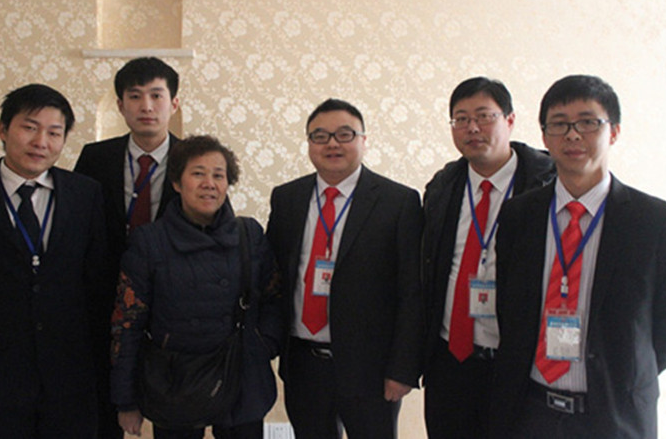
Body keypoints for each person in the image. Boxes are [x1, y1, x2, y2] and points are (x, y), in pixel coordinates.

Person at [491, 75, 666, 438]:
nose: (573, 135)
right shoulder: (519, 215)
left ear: (613, 132)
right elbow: (508, 306)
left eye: (587, 122)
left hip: (613, 417)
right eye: (559, 124)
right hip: (529, 412)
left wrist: (626, 376)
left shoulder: (655, 222)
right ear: (544, 137)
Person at [0, 84, 108, 439]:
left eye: (54, 132)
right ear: (3, 129)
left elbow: (97, 275)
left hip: (71, 373)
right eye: (29, 127)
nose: (41, 142)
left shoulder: (85, 194)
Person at [266, 98, 423, 439]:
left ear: (364, 140)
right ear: (309, 143)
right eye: (320, 136)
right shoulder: (287, 198)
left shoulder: (398, 202)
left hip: (371, 367)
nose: (332, 144)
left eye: (344, 134)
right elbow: (273, 278)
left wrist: (402, 369)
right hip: (303, 363)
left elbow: (411, 292)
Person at [110, 135, 283, 439]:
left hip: (240, 375)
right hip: (174, 380)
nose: (209, 184)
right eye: (198, 173)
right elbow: (127, 323)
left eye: (218, 175)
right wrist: (126, 400)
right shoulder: (150, 241)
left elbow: (274, 298)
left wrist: (262, 344)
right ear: (177, 183)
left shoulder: (249, 234)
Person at [421, 77, 555, 438]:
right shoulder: (442, 186)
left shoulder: (547, 183)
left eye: (484, 116)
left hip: (517, 365)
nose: (472, 128)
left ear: (509, 120)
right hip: (449, 362)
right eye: (461, 119)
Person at [74, 56, 181, 438]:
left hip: (174, 310)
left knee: (175, 419)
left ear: (174, 103)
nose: (146, 106)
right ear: (120, 105)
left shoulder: (194, 160)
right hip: (107, 306)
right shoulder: (94, 158)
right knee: (105, 417)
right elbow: (77, 232)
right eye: (135, 96)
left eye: (156, 95)